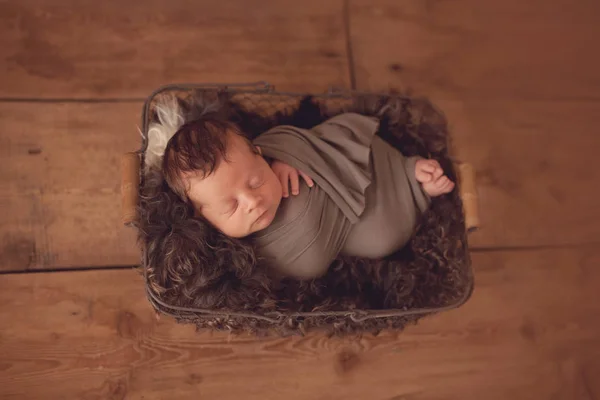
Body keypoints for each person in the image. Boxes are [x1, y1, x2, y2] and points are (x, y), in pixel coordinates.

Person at [151, 100, 454, 280]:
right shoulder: (226, 255)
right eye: (230, 206)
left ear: (259, 154)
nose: (253, 201)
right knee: (382, 236)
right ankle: (413, 190)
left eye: (255, 181)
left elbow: (285, 136)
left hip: (348, 161)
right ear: (202, 217)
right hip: (356, 223)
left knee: (350, 149)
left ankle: (407, 170)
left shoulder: (270, 154)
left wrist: (287, 156)